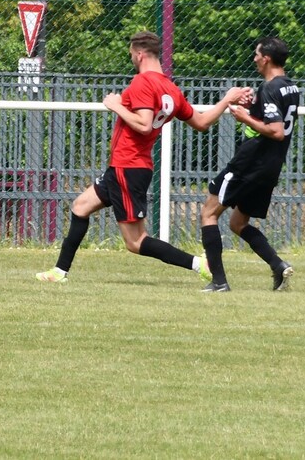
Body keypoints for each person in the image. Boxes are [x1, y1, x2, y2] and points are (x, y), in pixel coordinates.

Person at [36, 31, 250, 284]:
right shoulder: (170, 89)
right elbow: (202, 122)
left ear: (139, 54)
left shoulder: (142, 82)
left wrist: (115, 105)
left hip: (129, 166)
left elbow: (144, 124)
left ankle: (200, 264)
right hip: (123, 166)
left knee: (135, 242)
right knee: (81, 207)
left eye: (131, 55)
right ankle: (59, 272)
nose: (131, 59)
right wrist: (226, 100)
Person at [199, 36, 299, 292]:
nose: (254, 58)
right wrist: (253, 106)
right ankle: (278, 265)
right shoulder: (290, 87)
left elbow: (276, 130)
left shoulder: (270, 88)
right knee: (237, 223)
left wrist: (245, 117)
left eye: (257, 54)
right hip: (270, 167)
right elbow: (273, 118)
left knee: (209, 213)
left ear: (266, 58)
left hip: (250, 163)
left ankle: (219, 281)